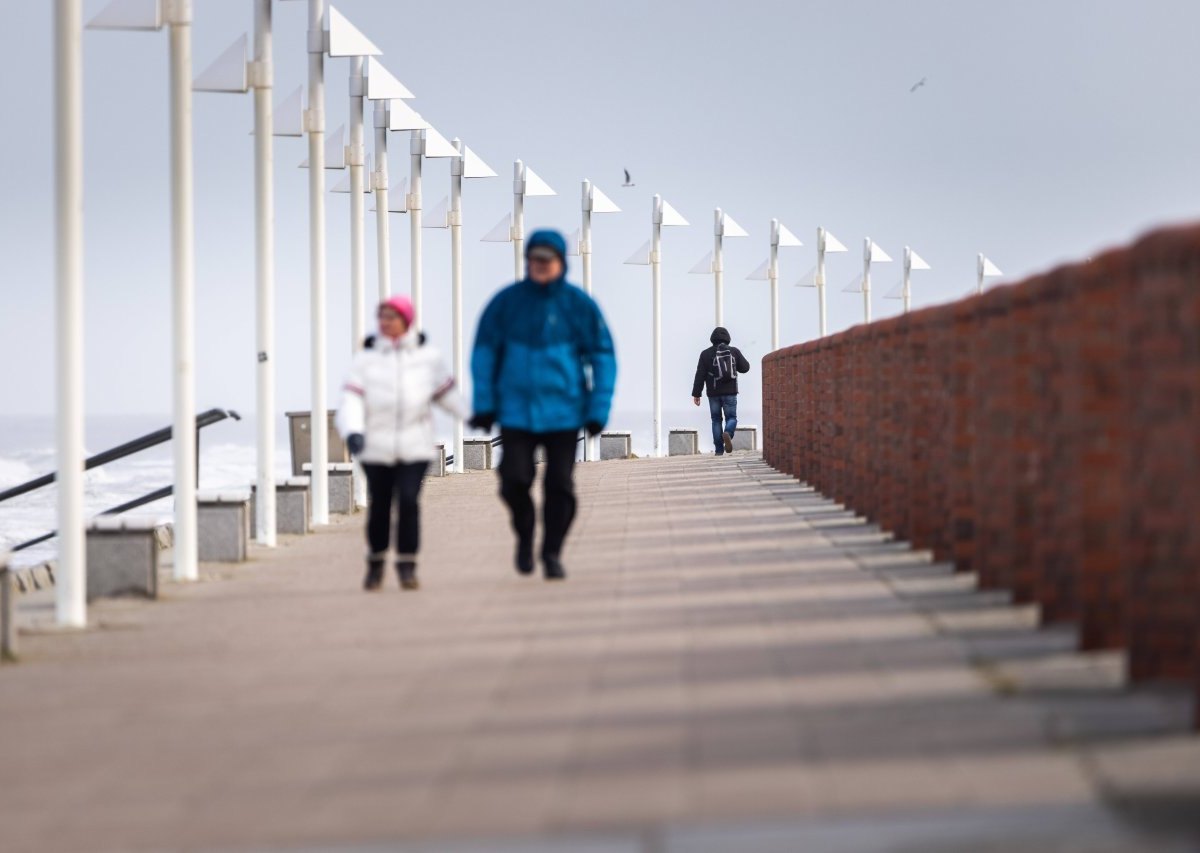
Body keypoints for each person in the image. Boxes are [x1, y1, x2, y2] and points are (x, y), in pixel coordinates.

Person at [469, 229, 617, 581]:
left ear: (561, 262)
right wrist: (485, 403)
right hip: (516, 411)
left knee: (560, 487)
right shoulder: (506, 302)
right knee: (513, 480)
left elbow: (603, 356)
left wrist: (598, 409)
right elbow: (484, 353)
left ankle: (551, 552)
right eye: (534, 259)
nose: (539, 265)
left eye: (546, 259)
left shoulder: (579, 305)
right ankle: (524, 534)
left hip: (565, 411)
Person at [337, 295, 466, 591]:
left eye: (392, 317)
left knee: (408, 501)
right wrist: (352, 430)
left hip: (415, 446)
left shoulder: (427, 357)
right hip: (376, 447)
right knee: (380, 505)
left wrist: (475, 416)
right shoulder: (365, 359)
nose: (385, 322)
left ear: (406, 320)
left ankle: (407, 565)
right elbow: (351, 399)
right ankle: (376, 563)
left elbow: (447, 394)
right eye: (381, 316)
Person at [691, 326, 751, 456]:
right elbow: (746, 368)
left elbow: (700, 375)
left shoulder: (705, 354)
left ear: (712, 339)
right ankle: (728, 433)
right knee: (731, 417)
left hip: (713, 394)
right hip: (730, 392)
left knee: (716, 420)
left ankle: (719, 449)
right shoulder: (733, 352)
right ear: (728, 338)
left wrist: (696, 393)